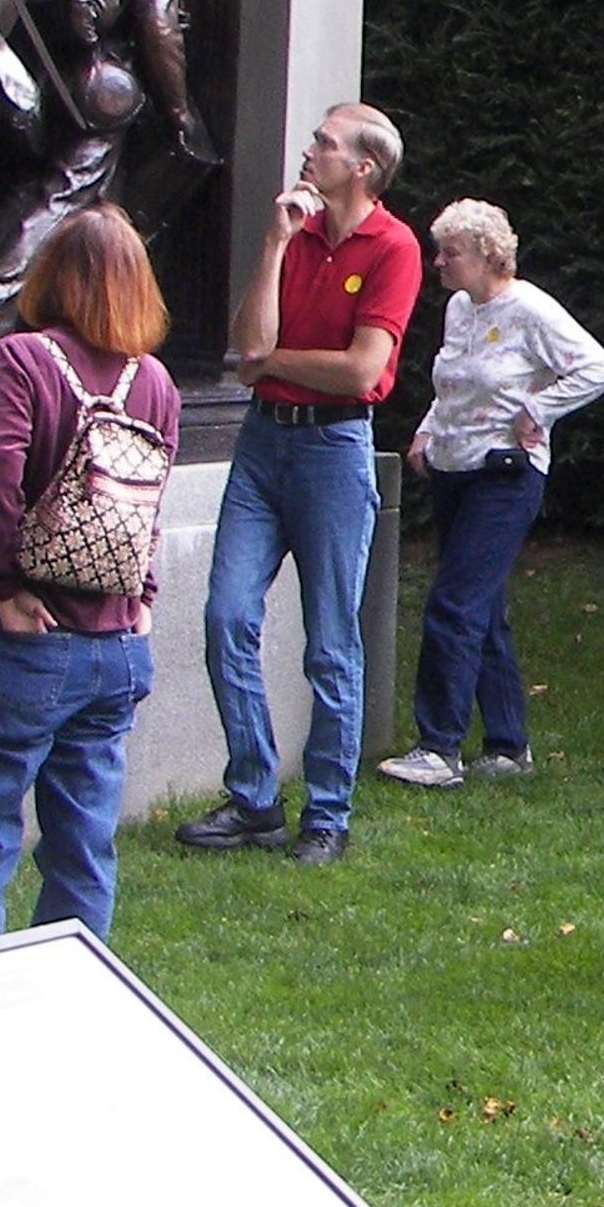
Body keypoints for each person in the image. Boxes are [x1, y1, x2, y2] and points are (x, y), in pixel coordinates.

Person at [0, 208, 182, 949]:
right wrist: (143, 598)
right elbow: (149, 499)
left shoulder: (24, 358)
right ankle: (71, 1011)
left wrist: (4, 585)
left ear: (53, 275)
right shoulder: (156, 381)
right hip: (116, 645)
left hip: (24, 641)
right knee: (83, 849)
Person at [176, 104, 424, 867]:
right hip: (262, 445)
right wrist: (275, 240)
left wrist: (275, 360)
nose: (309, 152)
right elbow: (247, 342)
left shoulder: (394, 248)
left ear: (364, 168)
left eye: (325, 143)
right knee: (226, 619)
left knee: (331, 643)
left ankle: (327, 813)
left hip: (333, 450)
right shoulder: (298, 233)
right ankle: (255, 800)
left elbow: (359, 370)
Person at [379, 200, 604, 789]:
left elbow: (597, 368)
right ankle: (509, 746)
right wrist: (428, 431)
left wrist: (538, 409)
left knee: (454, 603)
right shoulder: (460, 308)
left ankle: (439, 748)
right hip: (454, 468)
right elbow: (454, 377)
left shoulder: (532, 309)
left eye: (450, 253)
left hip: (505, 474)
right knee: (481, 607)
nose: (439, 263)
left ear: (488, 255)